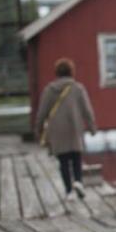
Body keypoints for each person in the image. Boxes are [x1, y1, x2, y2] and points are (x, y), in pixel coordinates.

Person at [34, 57, 96, 199]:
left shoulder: (49, 90)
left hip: (57, 131)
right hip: (74, 128)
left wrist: (38, 129)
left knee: (63, 161)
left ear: (57, 72)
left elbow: (42, 112)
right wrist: (92, 126)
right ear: (72, 71)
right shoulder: (78, 88)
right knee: (76, 158)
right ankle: (79, 182)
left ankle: (69, 191)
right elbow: (87, 110)